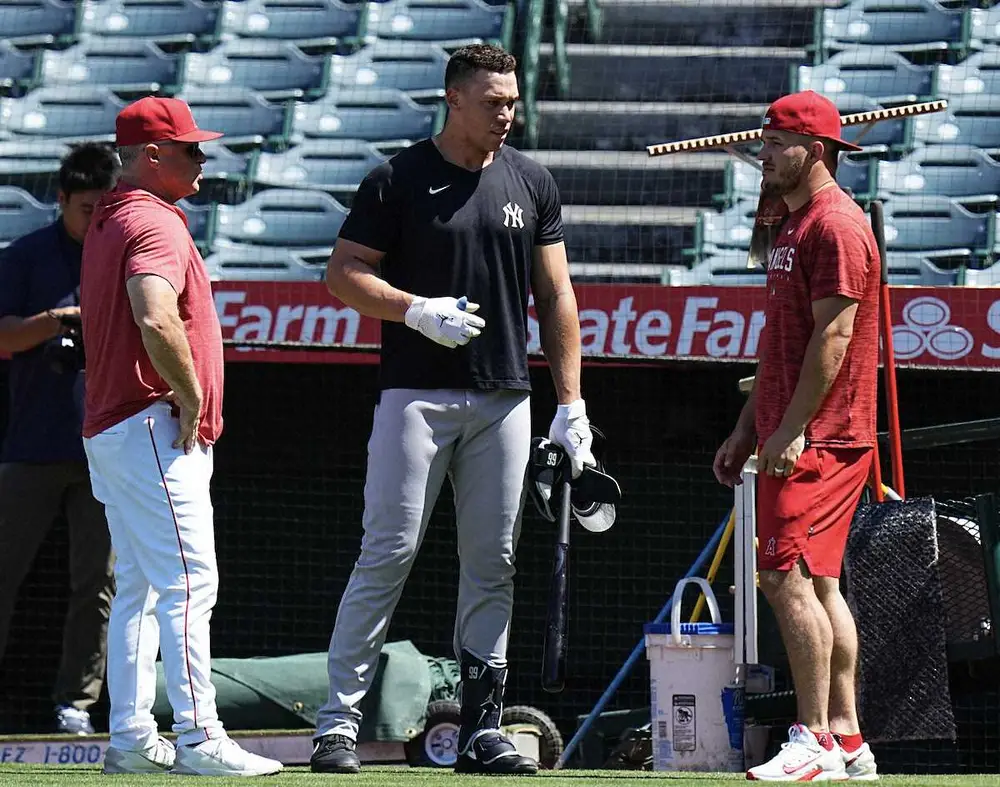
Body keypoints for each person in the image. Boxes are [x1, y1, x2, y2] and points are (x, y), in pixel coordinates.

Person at [310, 43, 596, 775]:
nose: (508, 113)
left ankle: (483, 729)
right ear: (454, 99)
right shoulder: (396, 178)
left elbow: (557, 295)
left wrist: (571, 404)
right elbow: (343, 274)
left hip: (505, 396)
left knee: (493, 562)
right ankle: (337, 726)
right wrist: (414, 311)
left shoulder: (531, 180)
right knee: (389, 551)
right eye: (494, 101)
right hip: (414, 396)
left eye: (513, 100)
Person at [79, 96, 282, 777]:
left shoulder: (110, 214)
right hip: (148, 423)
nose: (203, 158)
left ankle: (133, 736)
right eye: (191, 148)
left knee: (138, 585)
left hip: (114, 427)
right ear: (153, 156)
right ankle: (200, 735)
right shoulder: (151, 218)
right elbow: (155, 314)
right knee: (190, 581)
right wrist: (191, 393)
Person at [713, 90, 880, 782]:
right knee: (820, 582)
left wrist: (791, 429)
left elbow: (834, 338)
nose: (763, 154)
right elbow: (778, 340)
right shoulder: (791, 223)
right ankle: (846, 741)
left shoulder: (835, 225)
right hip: (804, 430)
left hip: (821, 436)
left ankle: (811, 737)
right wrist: (747, 426)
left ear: (814, 152)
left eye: (776, 143)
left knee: (781, 576)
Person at [0, 144, 118, 736]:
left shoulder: (125, 252)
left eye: (105, 207)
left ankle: (76, 702)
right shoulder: (24, 257)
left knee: (98, 583)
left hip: (104, 445)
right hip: (30, 445)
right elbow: (4, 340)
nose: (95, 218)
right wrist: (58, 320)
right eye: (85, 208)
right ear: (62, 201)